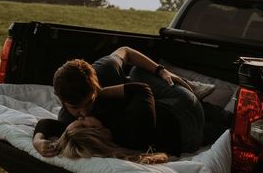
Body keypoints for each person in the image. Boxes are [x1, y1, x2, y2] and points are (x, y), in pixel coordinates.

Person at [32, 46, 231, 160]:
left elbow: (126, 51)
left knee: (137, 71)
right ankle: (217, 112)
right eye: (75, 109)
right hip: (180, 118)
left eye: (89, 102)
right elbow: (141, 90)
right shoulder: (129, 130)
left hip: (158, 111)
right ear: (62, 100)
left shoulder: (105, 71)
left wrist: (161, 71)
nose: (84, 113)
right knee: (216, 125)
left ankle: (189, 86)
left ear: (95, 88)